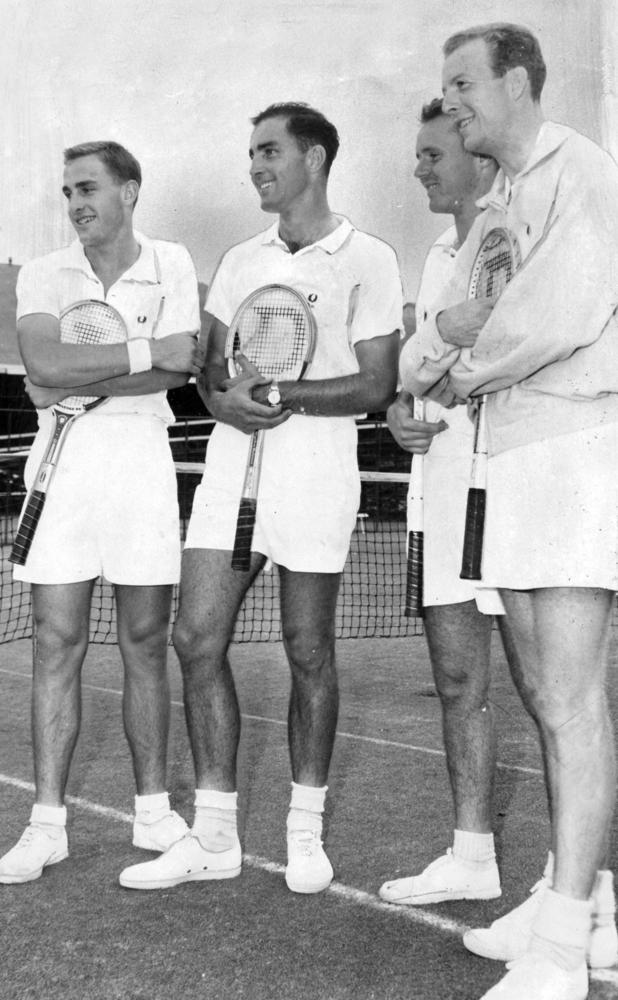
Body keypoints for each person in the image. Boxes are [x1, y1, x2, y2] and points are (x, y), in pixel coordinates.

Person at [119, 102, 403, 895]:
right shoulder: (241, 258)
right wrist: (223, 402)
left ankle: (304, 829)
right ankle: (214, 836)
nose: (255, 166)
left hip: (316, 480)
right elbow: (210, 368)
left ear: (314, 158)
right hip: (228, 475)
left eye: (269, 150)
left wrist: (275, 391)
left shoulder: (369, 258)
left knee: (308, 652)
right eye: (251, 153)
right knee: (194, 639)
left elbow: (377, 382)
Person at [400, 23, 618, 1000]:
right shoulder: (501, 204)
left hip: (571, 448)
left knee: (570, 700)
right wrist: (443, 358)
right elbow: (425, 342)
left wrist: (455, 367)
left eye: (461, 84)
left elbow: (552, 316)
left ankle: (562, 954)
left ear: (519, 83)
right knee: (543, 692)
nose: (448, 102)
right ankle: (582, 899)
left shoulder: (582, 172)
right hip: (506, 454)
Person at [0, 140, 204, 885]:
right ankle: (46, 824)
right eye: (67, 192)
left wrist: (78, 373)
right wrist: (143, 352)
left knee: (145, 639)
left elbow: (185, 364)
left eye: (89, 187)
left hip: (143, 465)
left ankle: (153, 813)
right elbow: (45, 365)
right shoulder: (46, 273)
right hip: (65, 469)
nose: (77, 203)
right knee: (57, 642)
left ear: (130, 191)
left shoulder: (170, 262)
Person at [380, 98, 516, 908]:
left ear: (479, 154)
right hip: (442, 487)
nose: (420, 167)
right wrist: (403, 412)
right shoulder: (436, 253)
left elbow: (498, 348)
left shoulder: (521, 229)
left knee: (549, 690)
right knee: (459, 677)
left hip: (515, 483)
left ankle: (586, 888)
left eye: (433, 153)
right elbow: (417, 369)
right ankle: (472, 855)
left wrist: (427, 369)